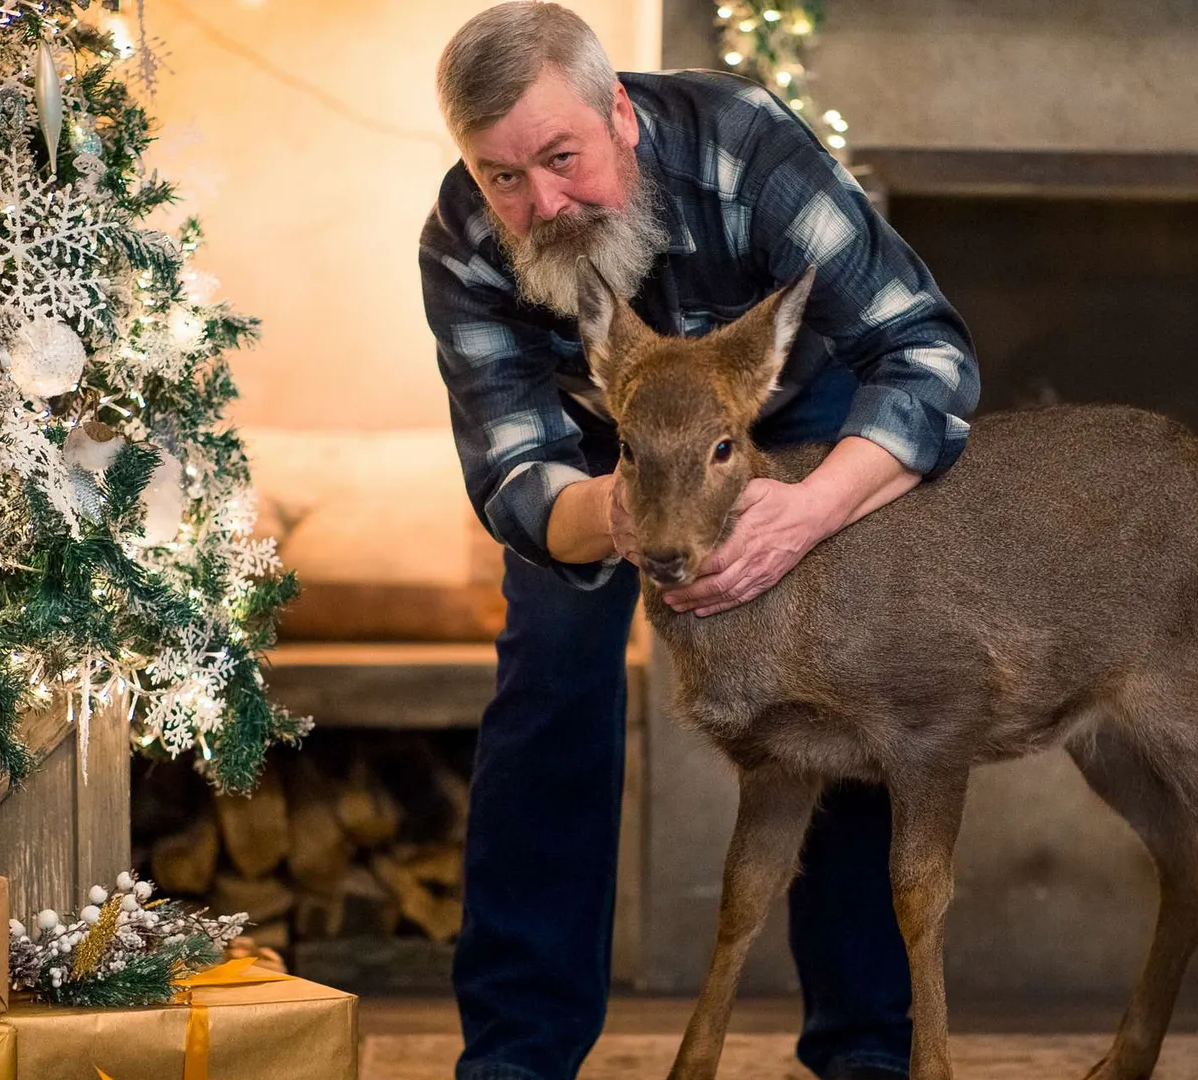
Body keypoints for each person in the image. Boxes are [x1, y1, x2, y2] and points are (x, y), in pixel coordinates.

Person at [419, 5, 979, 1078]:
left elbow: (930, 355)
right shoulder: (463, 242)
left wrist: (814, 508)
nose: (541, 205)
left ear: (619, 116)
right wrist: (623, 513)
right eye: (502, 177)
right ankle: (518, 1053)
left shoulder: (745, 147)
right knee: (550, 676)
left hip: (799, 424)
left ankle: (864, 1046)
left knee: (859, 678)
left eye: (561, 158)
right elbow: (512, 474)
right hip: (603, 459)